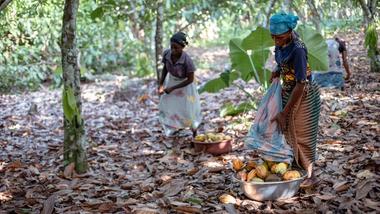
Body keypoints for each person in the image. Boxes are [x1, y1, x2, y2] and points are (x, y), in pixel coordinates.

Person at [268, 12, 321, 187]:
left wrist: (285, 112)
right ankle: (296, 169)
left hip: (303, 92)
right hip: (289, 89)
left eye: (279, 36)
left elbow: (301, 82)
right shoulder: (281, 43)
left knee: (303, 134)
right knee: (289, 132)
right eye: (273, 36)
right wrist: (277, 69)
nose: (276, 40)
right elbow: (283, 60)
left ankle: (311, 175)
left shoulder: (298, 49)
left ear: (289, 32)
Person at [158, 32, 202, 137]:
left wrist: (173, 88)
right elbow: (165, 69)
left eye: (176, 48)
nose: (173, 50)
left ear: (183, 47)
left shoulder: (187, 61)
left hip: (186, 84)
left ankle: (194, 131)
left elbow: (190, 79)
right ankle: (172, 128)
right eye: (171, 47)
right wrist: (161, 84)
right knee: (168, 104)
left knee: (188, 108)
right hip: (172, 80)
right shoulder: (167, 54)